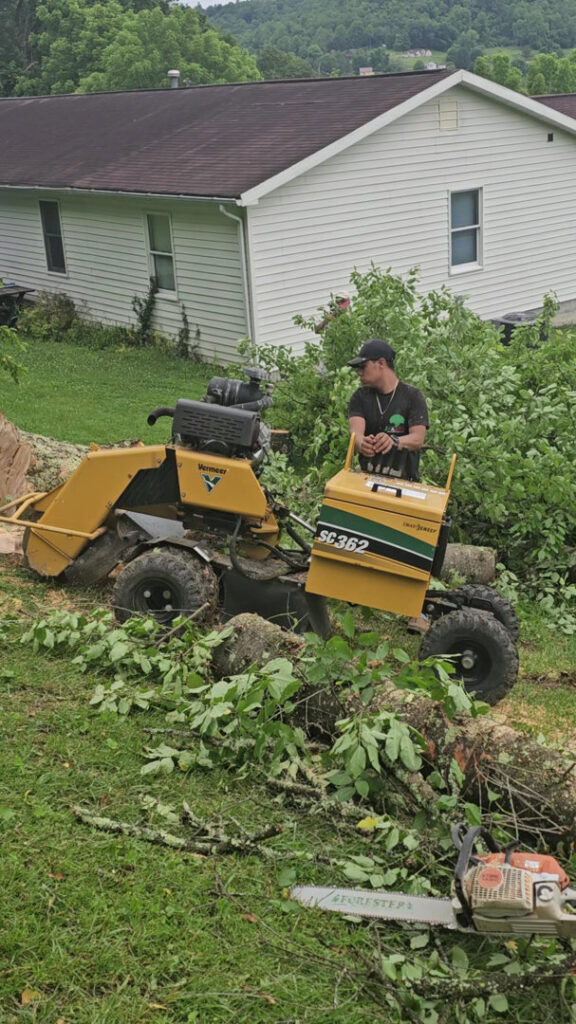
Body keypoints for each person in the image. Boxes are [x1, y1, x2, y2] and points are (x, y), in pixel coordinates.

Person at [347, 338, 428, 481]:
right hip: (367, 482)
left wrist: (393, 441)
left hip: (405, 484)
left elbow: (418, 439)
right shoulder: (359, 397)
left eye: (363, 366)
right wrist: (361, 442)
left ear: (381, 363)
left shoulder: (412, 395)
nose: (359, 372)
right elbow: (356, 432)